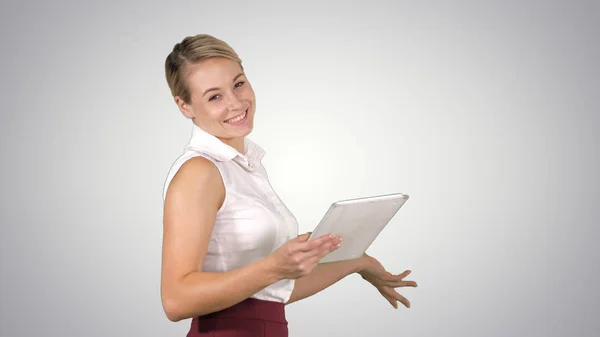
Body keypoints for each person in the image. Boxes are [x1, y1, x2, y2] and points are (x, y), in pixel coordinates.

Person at [161, 33, 417, 337]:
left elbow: (272, 295)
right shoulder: (199, 172)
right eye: (214, 96)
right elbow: (176, 300)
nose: (236, 102)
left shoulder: (245, 168)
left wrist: (358, 261)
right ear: (185, 106)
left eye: (239, 83)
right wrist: (274, 266)